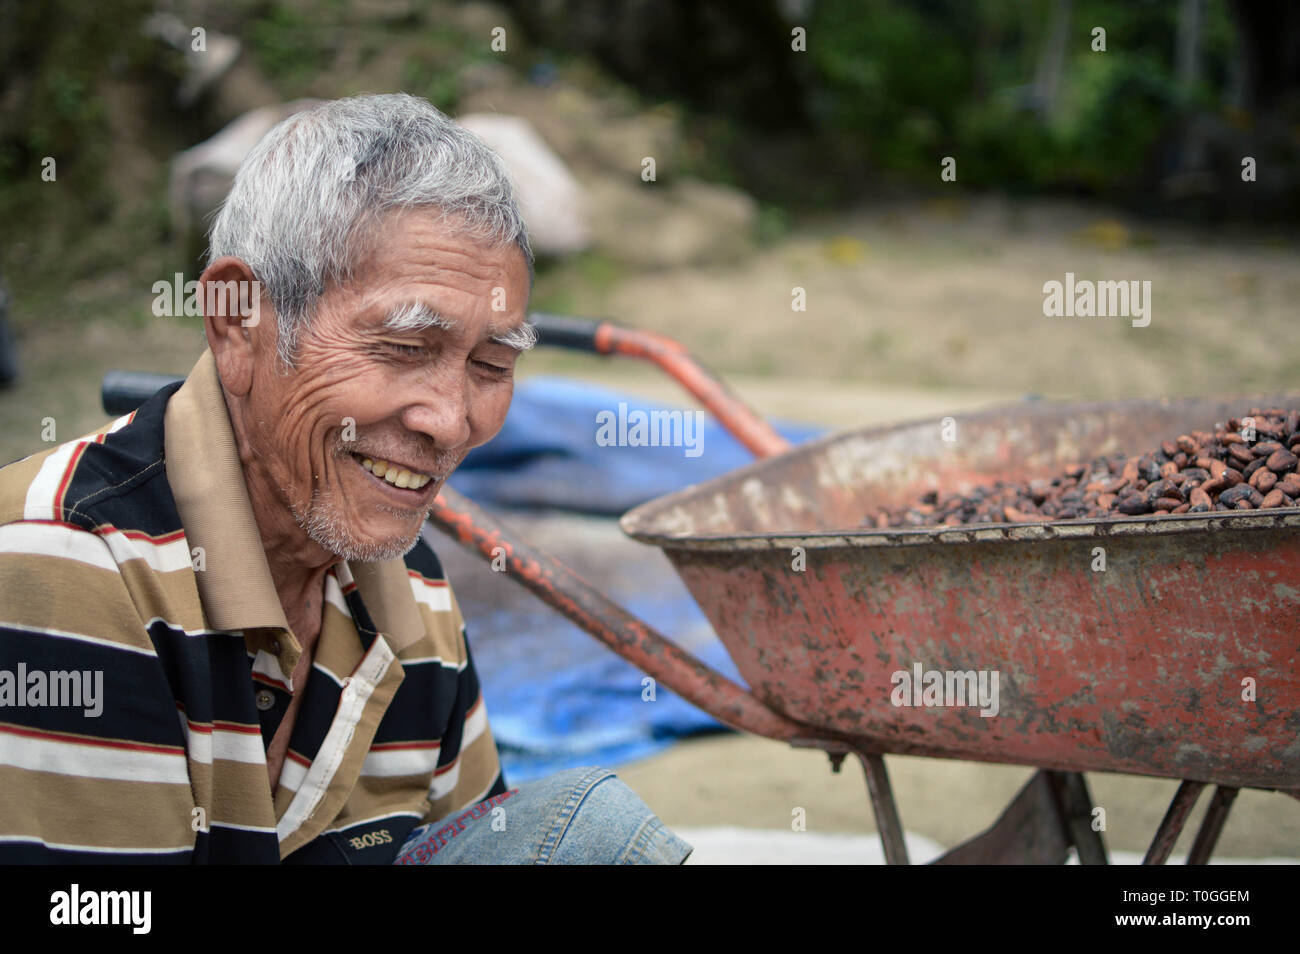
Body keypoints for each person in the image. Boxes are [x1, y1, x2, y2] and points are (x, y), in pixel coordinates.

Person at [0, 93, 690, 865]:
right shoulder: (65, 559)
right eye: (402, 348)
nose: (451, 421)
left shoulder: (414, 599)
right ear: (237, 323)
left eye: (492, 365)